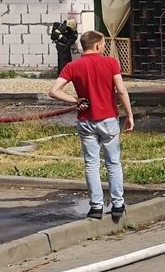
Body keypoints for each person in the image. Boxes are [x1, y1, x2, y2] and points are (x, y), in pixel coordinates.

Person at [46, 30, 134, 222]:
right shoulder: (110, 63)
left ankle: (96, 207)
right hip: (109, 119)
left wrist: (76, 100)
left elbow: (53, 91)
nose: (103, 47)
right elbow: (121, 90)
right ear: (97, 46)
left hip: (86, 121)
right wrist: (129, 115)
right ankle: (118, 204)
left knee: (91, 164)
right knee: (113, 163)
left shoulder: (73, 66)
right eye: (102, 44)